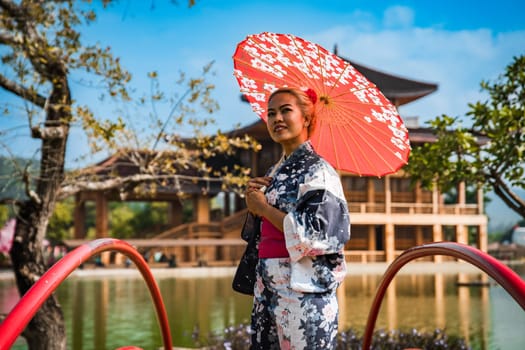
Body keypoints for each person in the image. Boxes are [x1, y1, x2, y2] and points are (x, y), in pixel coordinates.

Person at [245, 87, 351, 349]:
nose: (276, 118)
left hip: (303, 289)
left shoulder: (320, 171)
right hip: (268, 284)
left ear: (306, 118)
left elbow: (320, 235)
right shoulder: (275, 171)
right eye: (271, 113)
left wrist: (264, 209)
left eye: (285, 110)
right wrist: (254, 198)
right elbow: (262, 228)